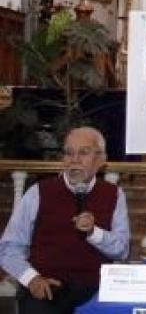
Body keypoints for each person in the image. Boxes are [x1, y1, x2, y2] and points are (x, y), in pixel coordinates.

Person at [0, 126, 130, 314]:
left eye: (83, 153)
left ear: (101, 160)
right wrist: (32, 279)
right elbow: (9, 248)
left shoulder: (114, 195)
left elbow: (122, 251)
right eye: (69, 153)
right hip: (48, 286)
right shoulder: (38, 192)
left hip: (97, 289)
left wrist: (94, 232)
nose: (74, 160)